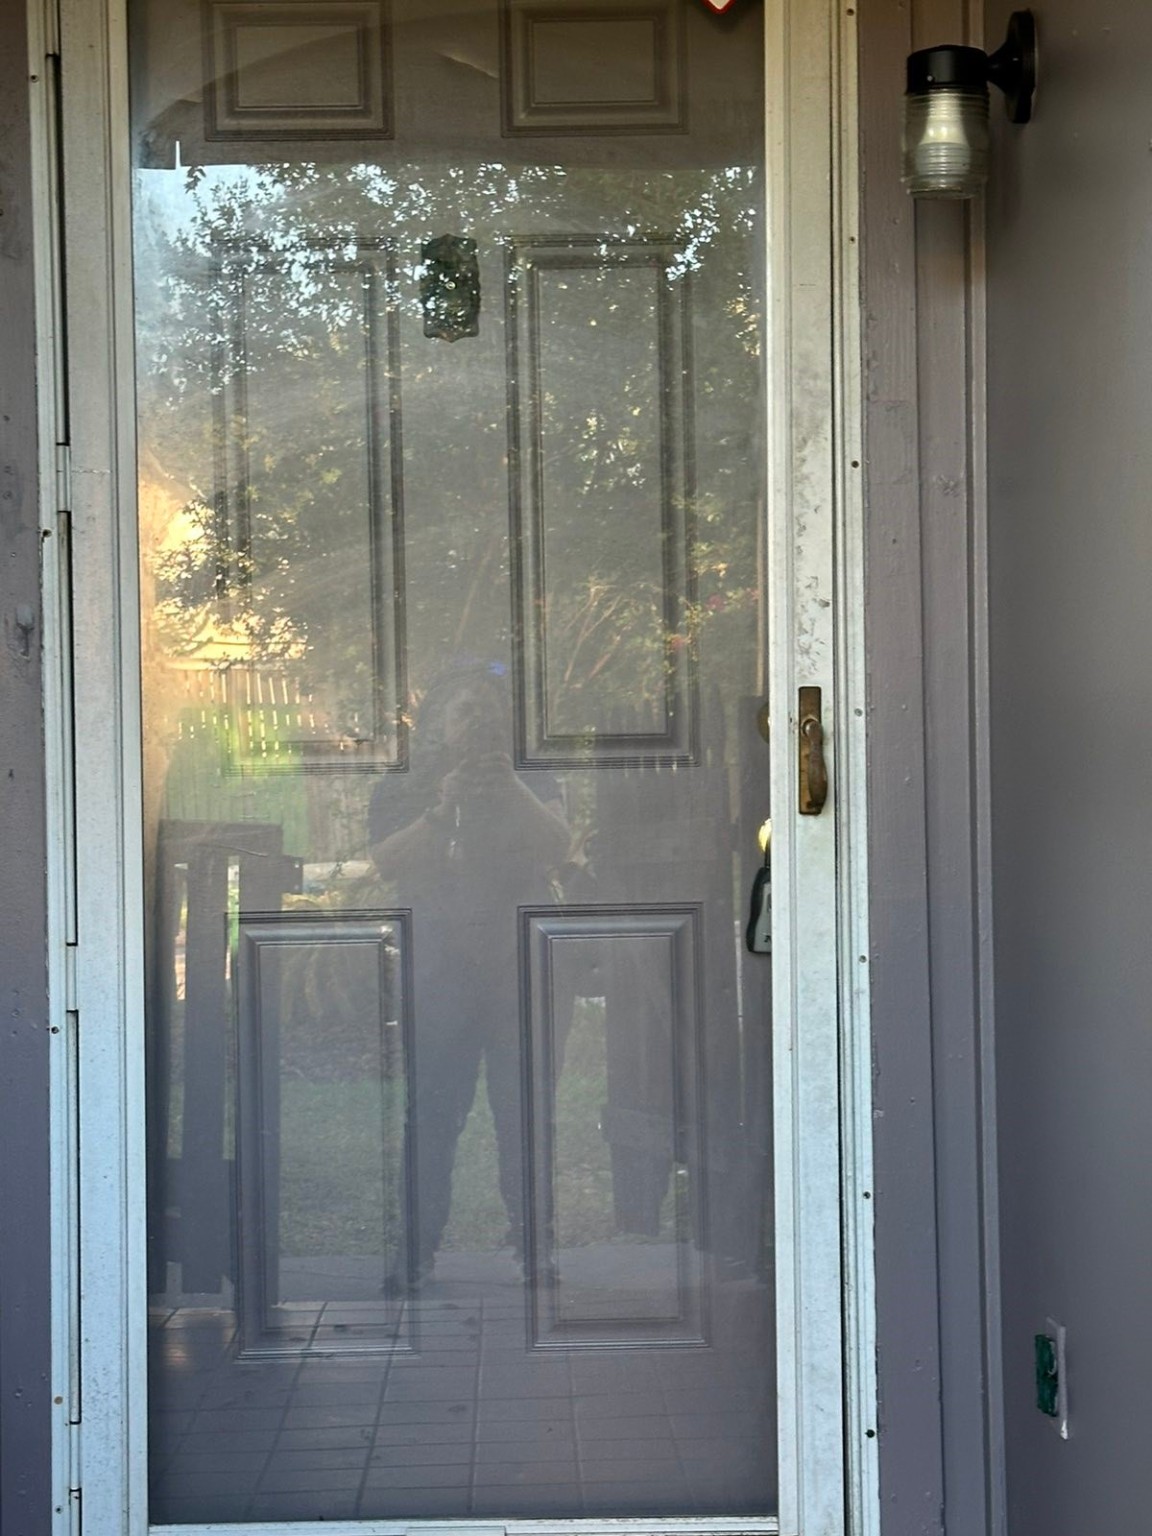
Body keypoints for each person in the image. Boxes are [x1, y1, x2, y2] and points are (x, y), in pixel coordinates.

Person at [368, 662, 571, 1289]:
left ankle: (535, 1250)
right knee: (431, 1112)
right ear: (438, 724)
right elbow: (382, 862)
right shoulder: (403, 784)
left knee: (526, 1110)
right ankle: (415, 1251)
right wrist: (442, 807)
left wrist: (511, 790)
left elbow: (562, 846)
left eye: (487, 712)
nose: (476, 722)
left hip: (520, 967)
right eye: (464, 712)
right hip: (439, 968)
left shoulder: (533, 777)